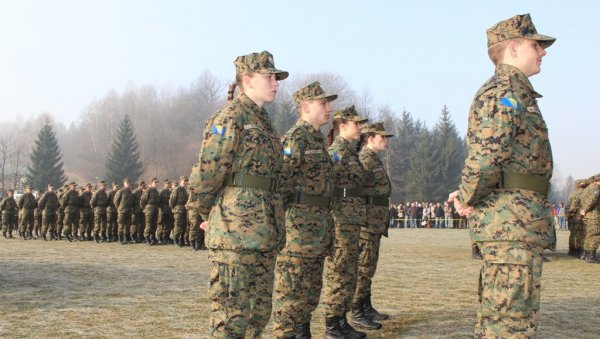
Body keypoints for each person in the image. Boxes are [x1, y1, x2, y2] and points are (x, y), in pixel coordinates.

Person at [448, 13, 556, 337]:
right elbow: (486, 158)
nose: (543, 51)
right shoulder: (503, 93)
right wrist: (467, 197)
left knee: (507, 320)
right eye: (536, 44)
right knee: (508, 325)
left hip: (517, 223)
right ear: (512, 47)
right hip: (510, 225)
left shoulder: (517, 94)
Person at [189, 50, 287, 338]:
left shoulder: (265, 123)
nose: (276, 83)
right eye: (269, 77)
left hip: (264, 234)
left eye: (276, 77)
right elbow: (208, 173)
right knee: (231, 318)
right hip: (234, 234)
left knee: (258, 315)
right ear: (247, 79)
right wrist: (208, 214)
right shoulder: (231, 116)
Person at [271, 81, 337, 339]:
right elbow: (281, 186)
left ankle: (302, 333)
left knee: (309, 294)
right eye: (324, 103)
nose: (329, 109)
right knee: (290, 296)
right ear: (305, 107)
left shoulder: (318, 140)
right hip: (298, 234)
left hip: (317, 232)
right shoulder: (295, 139)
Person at [322, 105, 371, 338]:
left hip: (352, 220)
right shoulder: (337, 151)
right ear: (342, 126)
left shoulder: (350, 151)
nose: (360, 127)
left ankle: (341, 320)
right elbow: (326, 181)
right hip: (341, 220)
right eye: (356, 124)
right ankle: (332, 323)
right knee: (339, 271)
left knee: (349, 272)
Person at [352, 122, 394, 330]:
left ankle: (365, 306)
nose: (385, 140)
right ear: (370, 138)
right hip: (367, 223)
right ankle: (357, 310)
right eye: (382, 137)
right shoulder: (365, 160)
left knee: (369, 266)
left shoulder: (373, 159)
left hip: (375, 222)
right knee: (363, 268)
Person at [580, 174, 600, 263]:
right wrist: (586, 209)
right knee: (595, 235)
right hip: (594, 215)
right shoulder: (596, 189)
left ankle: (587, 254)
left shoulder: (587, 189)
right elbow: (592, 200)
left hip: (589, 215)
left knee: (589, 235)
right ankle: (591, 257)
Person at [566, 179, 587, 257]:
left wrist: (569, 215)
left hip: (571, 216)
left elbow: (567, 206)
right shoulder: (581, 193)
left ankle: (572, 250)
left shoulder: (572, 193)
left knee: (572, 234)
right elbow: (573, 206)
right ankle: (578, 250)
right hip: (577, 216)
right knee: (579, 234)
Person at [170, 176, 189, 247]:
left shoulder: (185, 190)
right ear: (181, 181)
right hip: (178, 209)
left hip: (184, 210)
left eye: (186, 181)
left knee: (184, 226)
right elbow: (172, 200)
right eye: (184, 181)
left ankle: (181, 239)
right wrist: (173, 208)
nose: (185, 182)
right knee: (177, 225)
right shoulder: (177, 189)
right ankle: (176, 239)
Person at [114, 178, 134, 244]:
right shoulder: (121, 191)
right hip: (122, 211)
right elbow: (116, 201)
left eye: (129, 183)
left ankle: (126, 238)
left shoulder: (130, 192)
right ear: (124, 184)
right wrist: (119, 208)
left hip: (128, 211)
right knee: (121, 225)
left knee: (128, 225)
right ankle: (120, 239)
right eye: (127, 183)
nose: (128, 184)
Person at [141, 177, 161, 246]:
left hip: (155, 209)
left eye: (157, 183)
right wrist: (143, 208)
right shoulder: (148, 190)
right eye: (155, 183)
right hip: (149, 209)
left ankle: (152, 237)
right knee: (149, 224)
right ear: (151, 183)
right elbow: (143, 200)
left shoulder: (156, 191)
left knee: (154, 224)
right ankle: (147, 237)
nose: (156, 184)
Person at [157, 179, 173, 244]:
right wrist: (161, 208)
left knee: (168, 225)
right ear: (164, 184)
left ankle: (166, 237)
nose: (169, 185)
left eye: (169, 184)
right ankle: (159, 237)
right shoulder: (161, 192)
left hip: (168, 210)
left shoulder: (170, 192)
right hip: (162, 210)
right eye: (167, 184)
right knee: (161, 224)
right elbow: (158, 201)